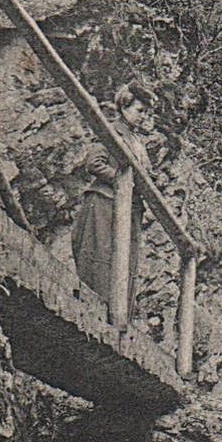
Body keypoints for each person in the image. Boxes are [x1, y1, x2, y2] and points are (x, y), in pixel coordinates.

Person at [71, 83, 155, 318]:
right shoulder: (112, 132)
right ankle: (94, 312)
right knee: (101, 256)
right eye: (139, 111)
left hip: (130, 210)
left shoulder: (138, 141)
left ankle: (117, 315)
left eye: (146, 113)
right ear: (124, 107)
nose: (143, 117)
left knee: (125, 262)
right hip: (105, 204)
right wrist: (123, 182)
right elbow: (94, 163)